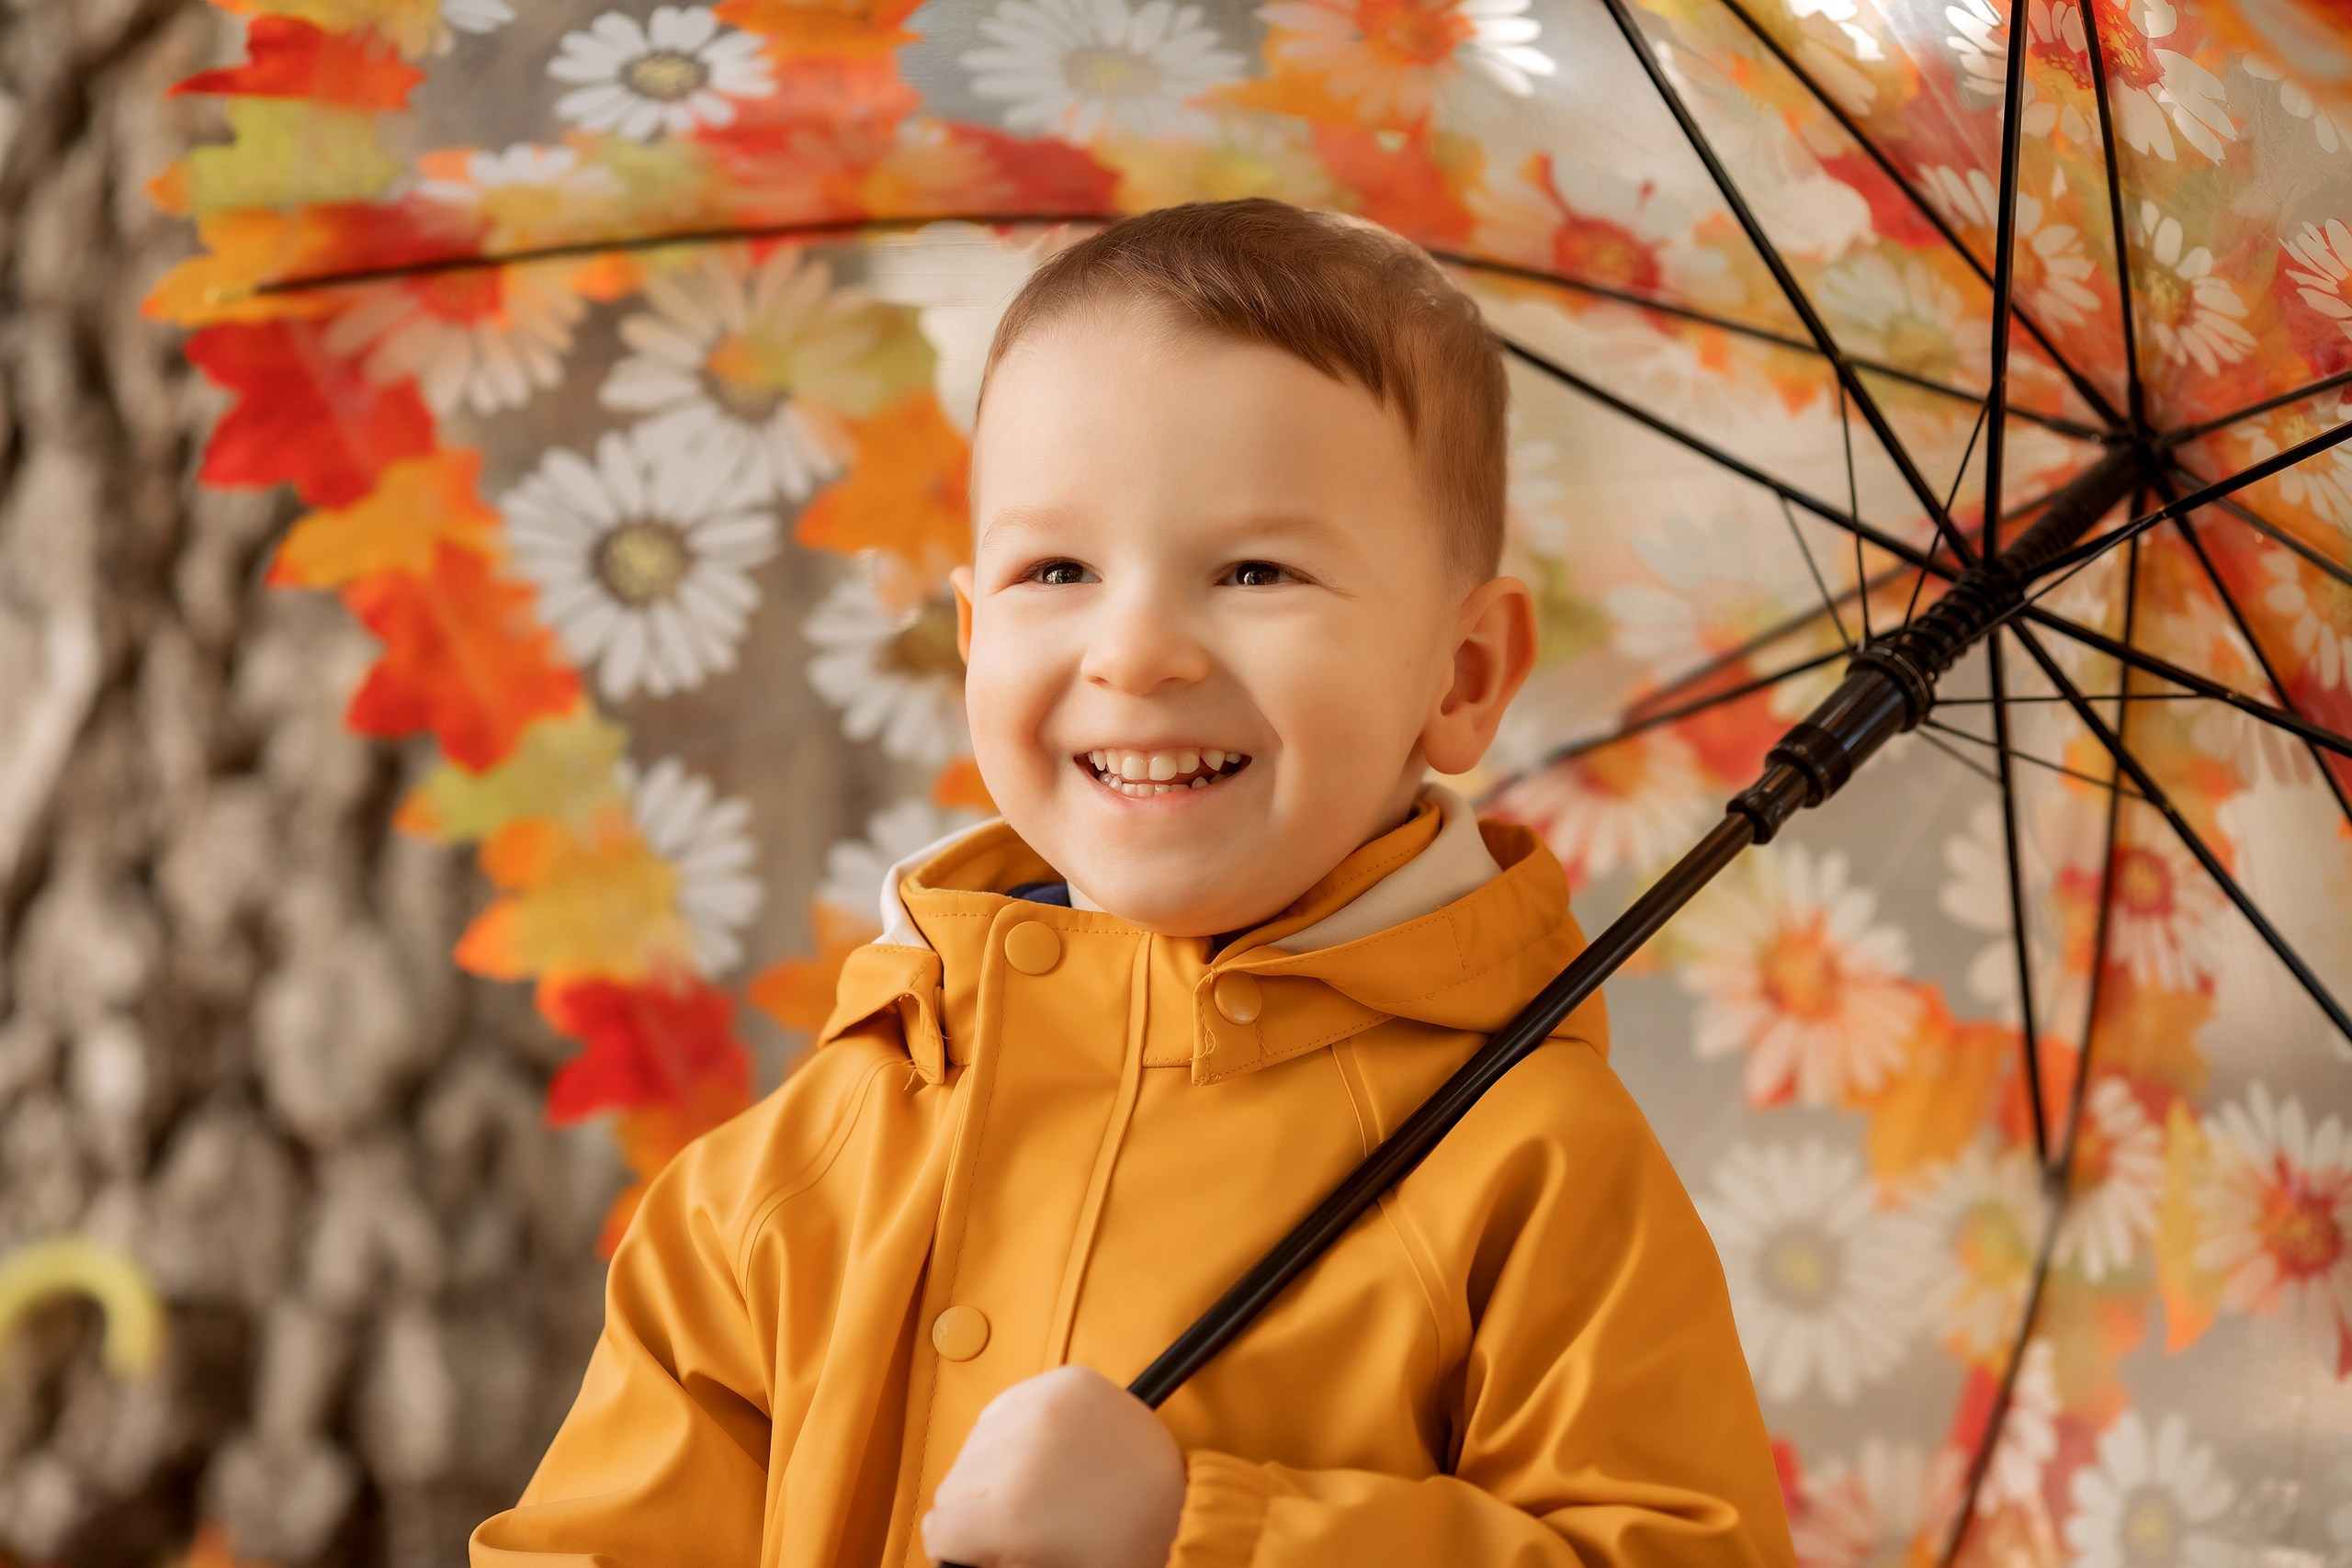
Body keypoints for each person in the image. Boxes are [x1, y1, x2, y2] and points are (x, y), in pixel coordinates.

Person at [471, 198, 1793, 1568]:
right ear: (972, 634)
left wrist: (1200, 1530)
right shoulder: (812, 1163)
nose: (1137, 650)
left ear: (1461, 676)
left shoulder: (1530, 1162)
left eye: (1256, 570)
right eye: (1057, 569)